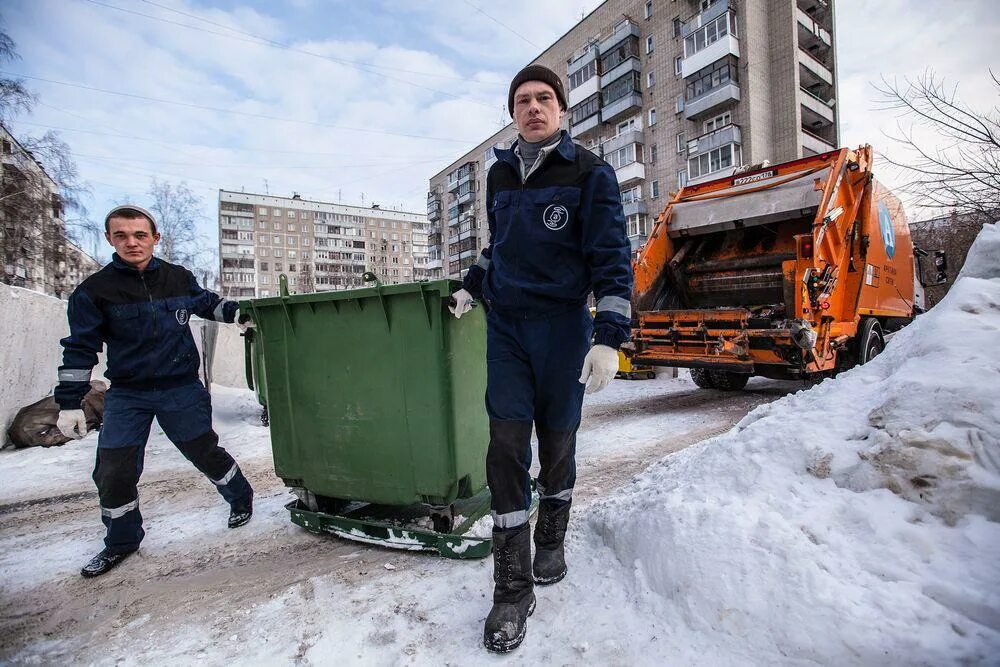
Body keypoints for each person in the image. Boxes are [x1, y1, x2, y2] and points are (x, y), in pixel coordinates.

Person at [450, 64, 632, 652]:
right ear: (512, 112)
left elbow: (611, 256)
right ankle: (511, 589)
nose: (534, 107)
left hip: (562, 330)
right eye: (523, 100)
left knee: (557, 440)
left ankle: (551, 531)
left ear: (562, 110)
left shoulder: (589, 173)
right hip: (505, 327)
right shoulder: (499, 173)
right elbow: (496, 246)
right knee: (505, 446)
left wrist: (609, 336)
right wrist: (473, 285)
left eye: (544, 99)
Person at [54, 204, 256, 578]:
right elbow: (80, 348)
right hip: (128, 394)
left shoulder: (177, 278)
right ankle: (121, 541)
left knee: (204, 451)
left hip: (180, 387)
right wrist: (70, 404)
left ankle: (241, 498)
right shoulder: (95, 291)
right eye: (122, 236)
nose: (132, 242)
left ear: (154, 238)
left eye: (140, 235)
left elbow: (207, 303)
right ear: (109, 239)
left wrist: (239, 313)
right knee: (113, 469)